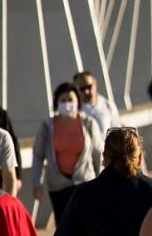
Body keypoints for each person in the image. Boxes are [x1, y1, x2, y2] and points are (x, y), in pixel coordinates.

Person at [32, 81, 105, 223]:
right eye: (63, 100)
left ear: (78, 101)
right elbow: (38, 155)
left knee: (87, 224)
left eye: (70, 100)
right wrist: (37, 183)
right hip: (58, 186)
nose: (67, 104)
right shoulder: (47, 126)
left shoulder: (88, 123)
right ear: (56, 102)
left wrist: (101, 181)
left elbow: (97, 153)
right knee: (64, 226)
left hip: (85, 182)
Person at [74, 70, 121, 136]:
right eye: (82, 89)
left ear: (95, 83)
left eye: (89, 87)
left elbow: (117, 133)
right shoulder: (74, 111)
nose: (86, 92)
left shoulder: (108, 106)